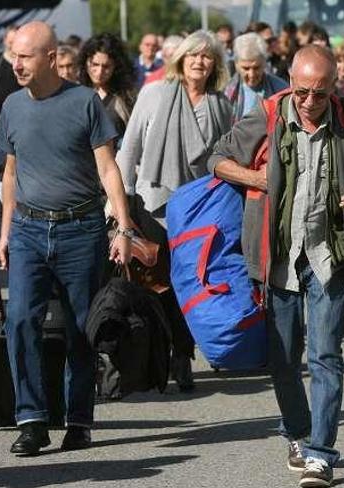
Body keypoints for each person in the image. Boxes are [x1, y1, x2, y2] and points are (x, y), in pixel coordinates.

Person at [208, 45, 344, 488]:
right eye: (301, 91)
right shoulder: (269, 115)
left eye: (319, 92)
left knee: (326, 356)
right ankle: (298, 431)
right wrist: (254, 178)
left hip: (328, 257)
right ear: (289, 82)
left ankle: (320, 453)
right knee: (283, 360)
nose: (309, 101)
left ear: (335, 87)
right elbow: (217, 159)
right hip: (278, 259)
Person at [0, 21, 134, 455]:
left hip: (81, 229)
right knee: (19, 321)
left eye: (25, 56)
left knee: (80, 330)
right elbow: (11, 173)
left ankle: (79, 420)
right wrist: (3, 236)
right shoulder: (13, 106)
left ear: (51, 58)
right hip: (28, 231)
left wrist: (124, 228)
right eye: (13, 55)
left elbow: (108, 169)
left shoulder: (84, 103)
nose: (16, 64)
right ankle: (32, 419)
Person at [116, 30, 232, 392]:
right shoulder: (154, 94)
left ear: (215, 65)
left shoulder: (220, 105)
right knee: (159, 286)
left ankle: (183, 353)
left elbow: (228, 159)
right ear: (180, 59)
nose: (199, 61)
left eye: (207, 57)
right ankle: (163, 354)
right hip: (155, 204)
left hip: (199, 209)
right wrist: (119, 203)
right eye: (193, 55)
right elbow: (129, 150)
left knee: (191, 284)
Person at [79, 32, 136, 139]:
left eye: (106, 66)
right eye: (95, 64)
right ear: (86, 63)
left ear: (116, 67)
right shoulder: (76, 93)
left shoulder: (125, 98)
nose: (99, 71)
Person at [224, 32, 288, 124]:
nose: (251, 74)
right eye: (246, 68)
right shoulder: (225, 90)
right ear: (236, 64)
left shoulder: (280, 90)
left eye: (256, 68)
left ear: (264, 63)